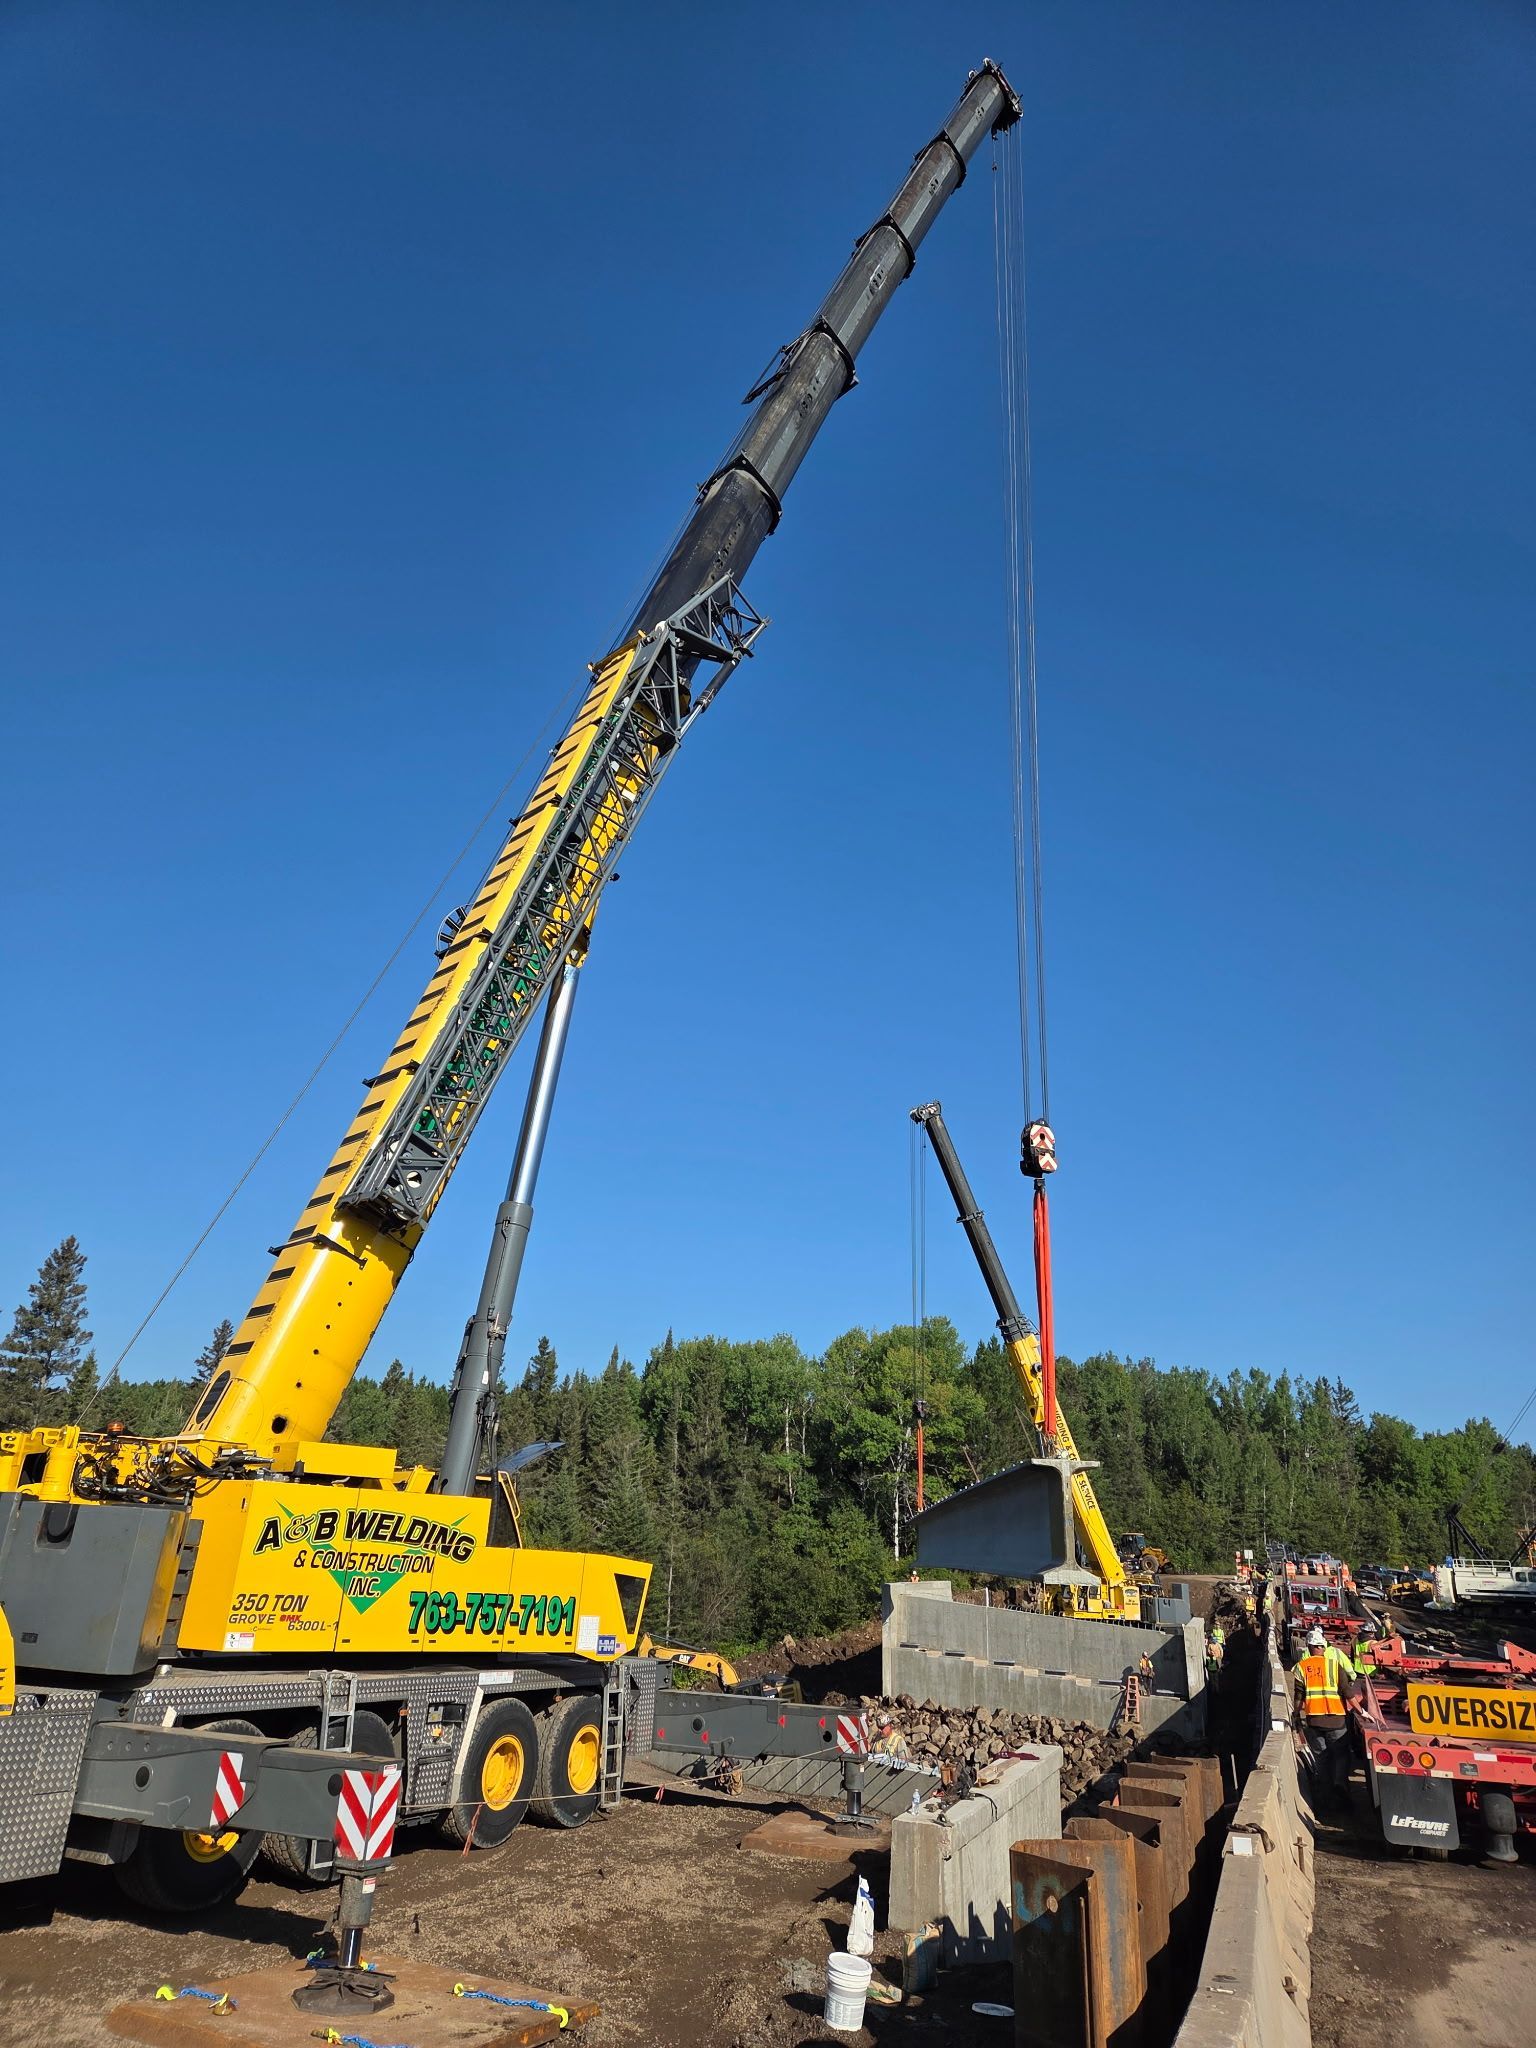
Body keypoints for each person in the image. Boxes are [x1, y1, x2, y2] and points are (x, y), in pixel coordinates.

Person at [1295, 1624, 1360, 1808]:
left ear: (1308, 1647)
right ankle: (1340, 1782)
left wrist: (1295, 1716)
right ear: (1324, 1645)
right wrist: (1361, 1711)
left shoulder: (1302, 1667)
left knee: (1321, 1758)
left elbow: (1298, 1697)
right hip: (1337, 1720)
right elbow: (1348, 1692)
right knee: (1340, 1754)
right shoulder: (1335, 1662)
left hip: (1314, 1720)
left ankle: (1324, 1800)